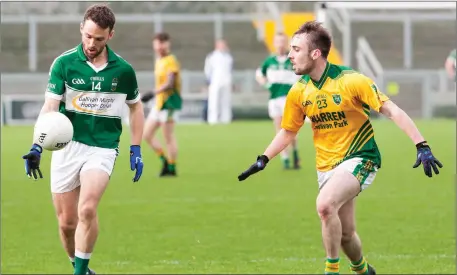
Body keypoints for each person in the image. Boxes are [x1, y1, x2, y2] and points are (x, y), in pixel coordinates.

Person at [238, 21, 443, 275]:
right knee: (346, 235)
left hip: (361, 157)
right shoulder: (299, 91)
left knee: (324, 205)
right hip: (326, 166)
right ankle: (363, 269)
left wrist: (421, 144)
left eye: (295, 49)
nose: (289, 55)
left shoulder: (351, 81)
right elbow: (289, 130)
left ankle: (331, 270)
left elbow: (391, 109)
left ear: (315, 53)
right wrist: (264, 159)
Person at [21, 4, 145, 275]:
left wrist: (135, 147)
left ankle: (80, 273)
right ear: (81, 29)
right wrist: (37, 145)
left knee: (87, 209)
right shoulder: (64, 63)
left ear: (110, 35)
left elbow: (136, 107)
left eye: (98, 38)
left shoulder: (123, 71)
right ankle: (79, 266)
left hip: (102, 148)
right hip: (67, 147)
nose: (91, 43)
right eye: (87, 36)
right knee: (67, 223)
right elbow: (50, 107)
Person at [256, 32, 301, 169]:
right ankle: (285, 158)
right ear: (275, 43)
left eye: (282, 41)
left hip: (289, 98)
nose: (280, 44)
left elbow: (301, 75)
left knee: (289, 129)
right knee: (278, 128)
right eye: (277, 41)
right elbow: (259, 75)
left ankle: (295, 152)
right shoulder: (269, 61)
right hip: (274, 99)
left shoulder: (292, 59)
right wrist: (266, 84)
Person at [141, 32, 182, 177]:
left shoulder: (171, 60)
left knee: (168, 137)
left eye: (162, 43)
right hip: (159, 103)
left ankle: (172, 167)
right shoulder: (159, 60)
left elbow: (170, 84)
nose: (159, 46)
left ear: (167, 44)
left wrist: (152, 92)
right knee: (146, 134)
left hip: (169, 103)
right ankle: (165, 160)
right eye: (157, 43)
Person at [204, 39, 234, 124]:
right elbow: (207, 70)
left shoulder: (228, 57)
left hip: (226, 81)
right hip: (215, 81)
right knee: (214, 101)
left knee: (225, 101)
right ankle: (213, 119)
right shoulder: (212, 57)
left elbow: (230, 70)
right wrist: (209, 80)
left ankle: (226, 119)